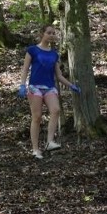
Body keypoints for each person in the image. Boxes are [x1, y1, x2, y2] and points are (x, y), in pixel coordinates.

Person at [18, 24, 81, 159]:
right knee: (37, 117)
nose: (52, 35)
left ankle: (49, 142)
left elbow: (59, 76)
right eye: (49, 33)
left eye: (53, 33)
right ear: (42, 34)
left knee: (56, 110)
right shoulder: (32, 50)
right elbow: (25, 69)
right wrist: (22, 85)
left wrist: (71, 86)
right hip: (35, 87)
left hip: (50, 87)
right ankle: (35, 149)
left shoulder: (54, 54)